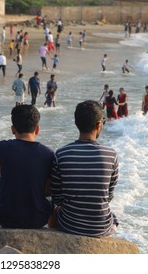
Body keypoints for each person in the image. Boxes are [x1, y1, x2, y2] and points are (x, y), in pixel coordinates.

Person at [51, 100, 119, 237]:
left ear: (76, 124)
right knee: (114, 219)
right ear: (99, 125)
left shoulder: (61, 153)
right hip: (100, 227)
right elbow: (109, 196)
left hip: (69, 224)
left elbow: (57, 197)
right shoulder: (111, 155)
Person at [0, 105, 55, 228]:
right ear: (37, 129)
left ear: (13, 129)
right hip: (39, 219)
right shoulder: (48, 153)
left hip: (5, 217)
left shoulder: (1, 147)